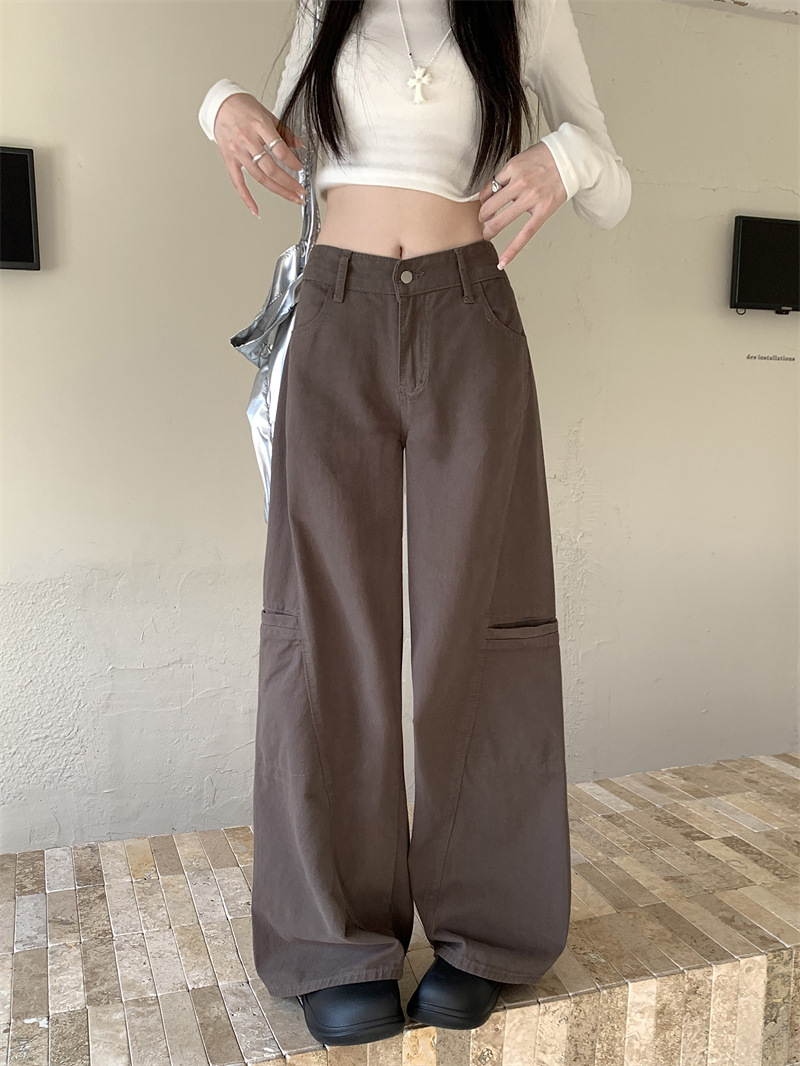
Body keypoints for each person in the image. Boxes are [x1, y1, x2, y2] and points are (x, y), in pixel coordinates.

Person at [199, 0, 631, 1047]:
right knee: (324, 631)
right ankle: (333, 942)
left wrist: (567, 159)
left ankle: (486, 932)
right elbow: (274, 134)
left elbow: (612, 189)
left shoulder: (524, 11)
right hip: (336, 313)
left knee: (483, 631)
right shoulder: (329, 8)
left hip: (468, 313)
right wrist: (217, 106)